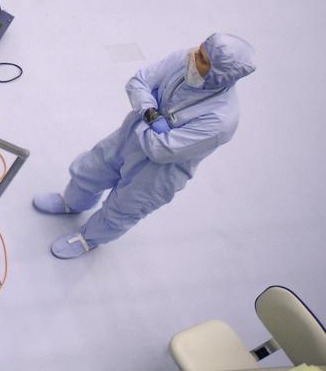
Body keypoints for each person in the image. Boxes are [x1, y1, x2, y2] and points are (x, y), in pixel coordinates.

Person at [34, 33, 256, 259]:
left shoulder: (221, 120)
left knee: (123, 208)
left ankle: (88, 239)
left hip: (159, 171)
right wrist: (152, 116)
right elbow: (138, 82)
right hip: (128, 138)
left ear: (219, 75)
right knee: (92, 168)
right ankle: (72, 203)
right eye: (199, 49)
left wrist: (144, 109)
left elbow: (160, 151)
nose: (192, 55)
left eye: (202, 58)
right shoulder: (184, 60)